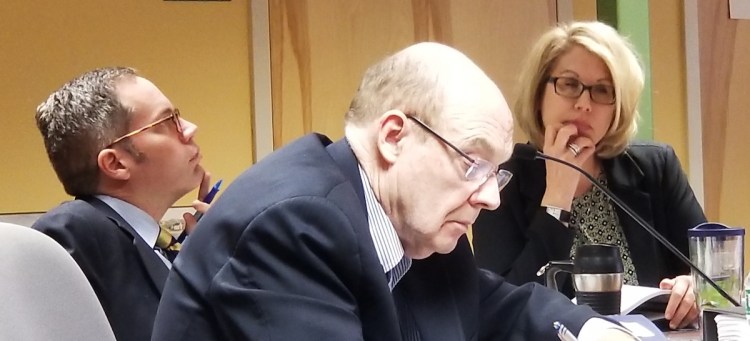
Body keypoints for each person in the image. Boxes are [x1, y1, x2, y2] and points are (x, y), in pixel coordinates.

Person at [152, 42, 637, 340]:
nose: (490, 197)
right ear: (393, 137)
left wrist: (593, 330)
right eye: (474, 163)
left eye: (497, 172)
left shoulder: (409, 218)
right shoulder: (295, 224)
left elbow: (485, 303)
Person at [472, 21, 705, 330]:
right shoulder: (500, 181)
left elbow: (712, 276)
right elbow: (502, 314)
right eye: (569, 84)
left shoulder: (654, 167)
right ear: (540, 95)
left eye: (602, 90)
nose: (583, 104)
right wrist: (557, 196)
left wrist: (693, 289)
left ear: (617, 109)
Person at [33, 67, 212, 341]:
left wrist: (208, 261)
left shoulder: (170, 248)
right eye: (166, 121)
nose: (189, 128)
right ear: (115, 163)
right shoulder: (73, 232)